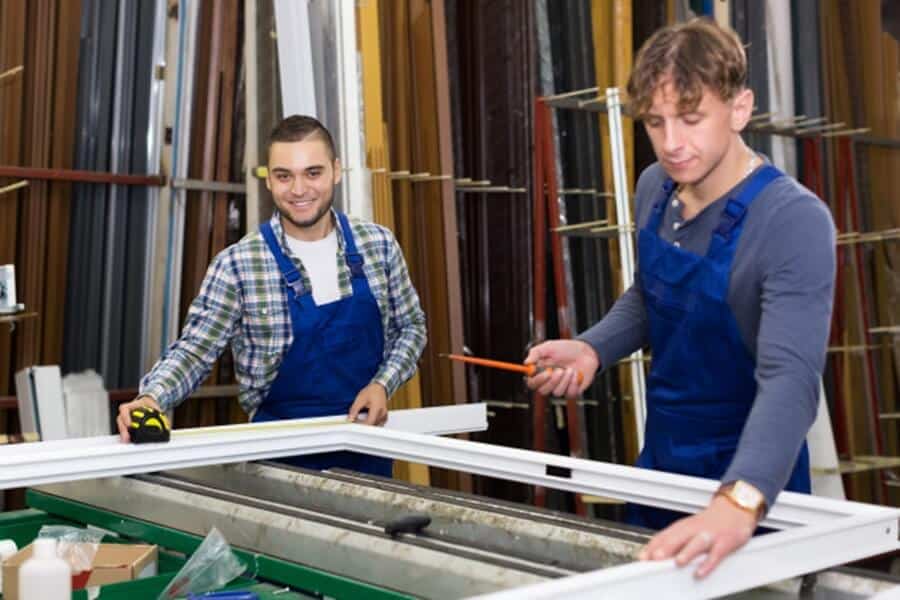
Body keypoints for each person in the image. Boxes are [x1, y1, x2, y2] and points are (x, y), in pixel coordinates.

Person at [526, 18, 835, 577]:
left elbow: (791, 381)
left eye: (691, 120)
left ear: (740, 109)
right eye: (655, 122)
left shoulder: (793, 221)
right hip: (662, 463)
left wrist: (738, 503)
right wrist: (594, 349)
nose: (672, 144)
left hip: (753, 480)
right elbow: (651, 297)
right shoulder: (655, 187)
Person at [117, 115, 427, 477]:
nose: (299, 190)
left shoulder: (379, 245)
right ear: (268, 179)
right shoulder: (238, 264)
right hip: (279, 457)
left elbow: (412, 328)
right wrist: (151, 398)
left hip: (366, 446)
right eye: (284, 176)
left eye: (313, 173)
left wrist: (382, 384)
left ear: (336, 171)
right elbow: (195, 350)